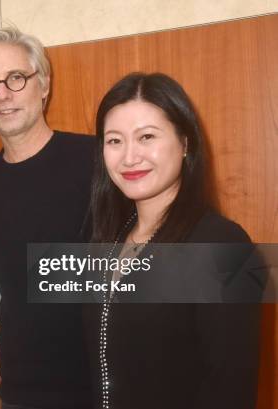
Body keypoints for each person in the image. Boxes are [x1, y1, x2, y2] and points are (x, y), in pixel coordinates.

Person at [86, 72, 261, 409]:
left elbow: (230, 389)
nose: (129, 157)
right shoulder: (105, 240)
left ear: (185, 143)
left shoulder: (223, 246)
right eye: (114, 140)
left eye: (147, 137)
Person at [0, 28, 95, 409]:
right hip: (21, 391)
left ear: (44, 85)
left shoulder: (96, 160)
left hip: (99, 387)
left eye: (16, 78)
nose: (3, 94)